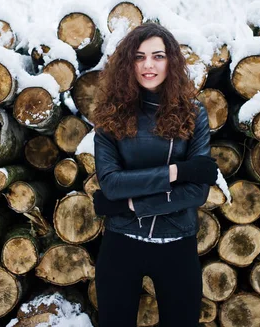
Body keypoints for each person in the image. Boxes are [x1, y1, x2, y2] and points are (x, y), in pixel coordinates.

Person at [91, 22, 218, 326]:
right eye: (139, 57)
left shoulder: (193, 113)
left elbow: (197, 191)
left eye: (158, 56)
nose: (149, 65)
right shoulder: (111, 114)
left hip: (177, 244)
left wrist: (131, 205)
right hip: (121, 244)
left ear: (171, 61)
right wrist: (178, 170)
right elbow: (111, 184)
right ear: (127, 64)